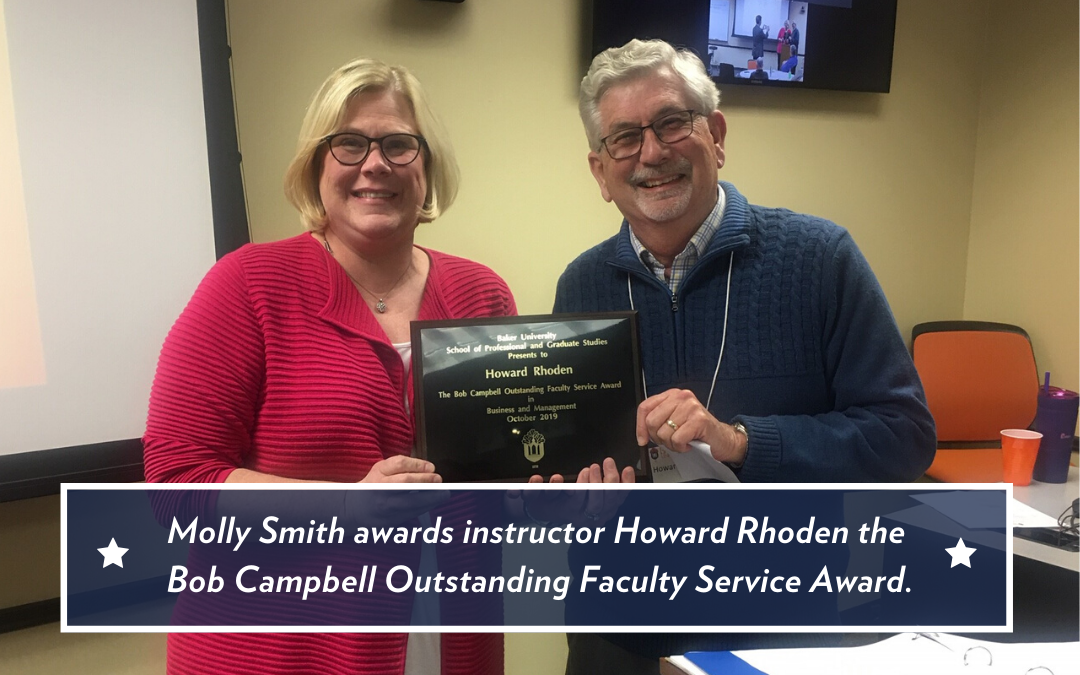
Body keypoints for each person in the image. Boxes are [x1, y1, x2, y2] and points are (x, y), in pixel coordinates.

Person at [553, 38, 936, 673]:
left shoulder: (820, 259)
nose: (652, 153)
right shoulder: (581, 287)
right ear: (600, 170)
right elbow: (576, 454)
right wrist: (571, 497)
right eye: (624, 137)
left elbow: (904, 439)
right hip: (616, 619)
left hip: (779, 624)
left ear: (717, 134)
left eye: (673, 122)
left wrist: (740, 441)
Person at [143, 58, 514, 675]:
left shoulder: (483, 296)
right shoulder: (247, 286)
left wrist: (557, 501)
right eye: (349, 145)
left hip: (450, 644)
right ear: (317, 167)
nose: (376, 164)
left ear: (427, 166)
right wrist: (344, 509)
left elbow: (496, 479)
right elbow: (178, 484)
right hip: (280, 652)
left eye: (399, 144)